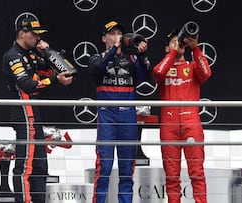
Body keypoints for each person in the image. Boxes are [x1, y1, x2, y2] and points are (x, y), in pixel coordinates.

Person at [2, 16, 73, 203]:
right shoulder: (12, 56)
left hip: (35, 112)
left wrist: (48, 52)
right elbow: (27, 84)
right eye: (34, 35)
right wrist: (55, 80)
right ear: (21, 34)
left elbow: (65, 70)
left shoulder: (33, 54)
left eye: (39, 35)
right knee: (25, 165)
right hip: (24, 112)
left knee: (40, 165)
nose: (37, 38)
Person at [88, 20, 149, 203]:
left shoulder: (131, 59)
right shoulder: (96, 58)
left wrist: (142, 54)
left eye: (119, 34)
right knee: (104, 166)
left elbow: (145, 77)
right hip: (107, 115)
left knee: (127, 166)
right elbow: (97, 69)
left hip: (127, 115)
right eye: (112, 33)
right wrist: (114, 49)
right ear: (104, 38)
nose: (117, 37)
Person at [153, 29, 212, 203]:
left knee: (197, 174)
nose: (178, 44)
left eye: (180, 41)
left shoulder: (192, 66)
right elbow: (157, 73)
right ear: (166, 48)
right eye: (173, 41)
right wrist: (173, 53)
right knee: (171, 177)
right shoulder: (162, 68)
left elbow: (206, 73)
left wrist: (195, 48)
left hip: (191, 124)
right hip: (169, 127)